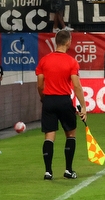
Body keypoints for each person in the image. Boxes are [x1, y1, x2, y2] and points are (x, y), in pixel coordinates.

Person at [35, 29, 86, 180]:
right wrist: (83, 106)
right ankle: (68, 170)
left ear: (56, 42)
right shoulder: (71, 61)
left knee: (49, 136)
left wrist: (43, 98)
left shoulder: (44, 60)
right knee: (70, 134)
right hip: (64, 100)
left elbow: (39, 84)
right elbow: (76, 86)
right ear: (68, 42)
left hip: (49, 100)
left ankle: (48, 172)